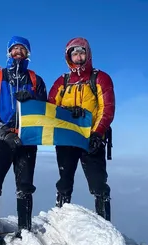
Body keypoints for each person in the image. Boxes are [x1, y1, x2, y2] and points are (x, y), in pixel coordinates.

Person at [0, 36, 47, 245]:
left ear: (28, 54)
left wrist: (33, 99)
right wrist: (1, 130)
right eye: (15, 49)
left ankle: (24, 230)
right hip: (1, 137)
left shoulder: (36, 80)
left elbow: (46, 108)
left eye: (23, 49)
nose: (18, 52)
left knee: (25, 186)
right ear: (9, 52)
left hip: (27, 138)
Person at [47, 37, 115, 221]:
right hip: (66, 139)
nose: (78, 56)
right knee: (64, 183)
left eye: (81, 52)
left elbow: (106, 109)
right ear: (69, 56)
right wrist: (67, 111)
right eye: (74, 53)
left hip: (92, 139)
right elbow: (50, 108)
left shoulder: (100, 78)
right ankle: (61, 222)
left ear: (88, 54)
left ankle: (104, 227)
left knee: (98, 185)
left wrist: (97, 134)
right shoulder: (62, 81)